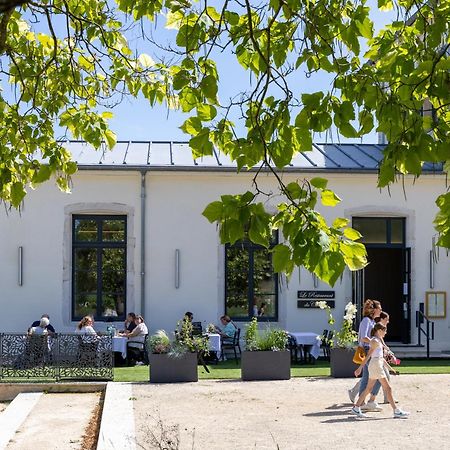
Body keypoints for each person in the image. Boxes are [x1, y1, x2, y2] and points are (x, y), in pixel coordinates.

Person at [351, 323, 409, 418]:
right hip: (376, 366)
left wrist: (391, 369)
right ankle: (396, 410)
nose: (385, 333)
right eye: (384, 331)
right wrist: (359, 368)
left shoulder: (377, 341)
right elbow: (369, 356)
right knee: (388, 388)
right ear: (379, 330)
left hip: (376, 365)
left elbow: (380, 358)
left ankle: (356, 407)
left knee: (369, 389)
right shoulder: (375, 341)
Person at [348, 299, 382, 411]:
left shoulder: (372, 321)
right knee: (371, 377)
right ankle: (364, 402)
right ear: (374, 310)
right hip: (367, 350)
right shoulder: (366, 321)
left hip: (371, 349)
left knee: (367, 377)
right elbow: (363, 337)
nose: (381, 310)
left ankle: (362, 402)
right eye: (379, 308)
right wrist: (373, 341)